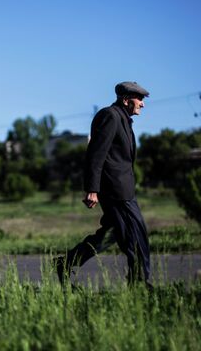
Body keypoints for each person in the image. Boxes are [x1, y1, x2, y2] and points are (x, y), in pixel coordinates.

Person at [55, 81, 152, 289]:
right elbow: (96, 154)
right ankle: (140, 285)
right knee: (135, 237)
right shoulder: (110, 116)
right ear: (126, 100)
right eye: (140, 99)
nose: (142, 104)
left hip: (124, 190)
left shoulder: (123, 119)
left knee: (110, 236)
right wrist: (92, 189)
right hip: (115, 191)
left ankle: (66, 263)